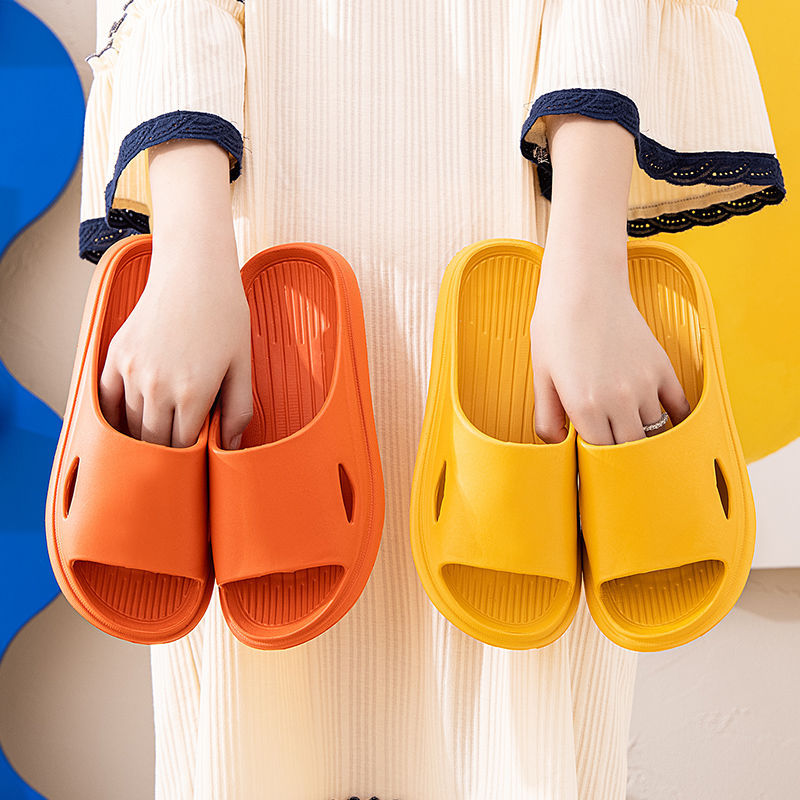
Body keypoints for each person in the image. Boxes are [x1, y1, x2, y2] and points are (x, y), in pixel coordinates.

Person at [77, 1, 784, 797]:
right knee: (258, 718)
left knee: (518, 682)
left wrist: (589, 269)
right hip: (255, 271)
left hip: (520, 272)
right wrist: (184, 258)